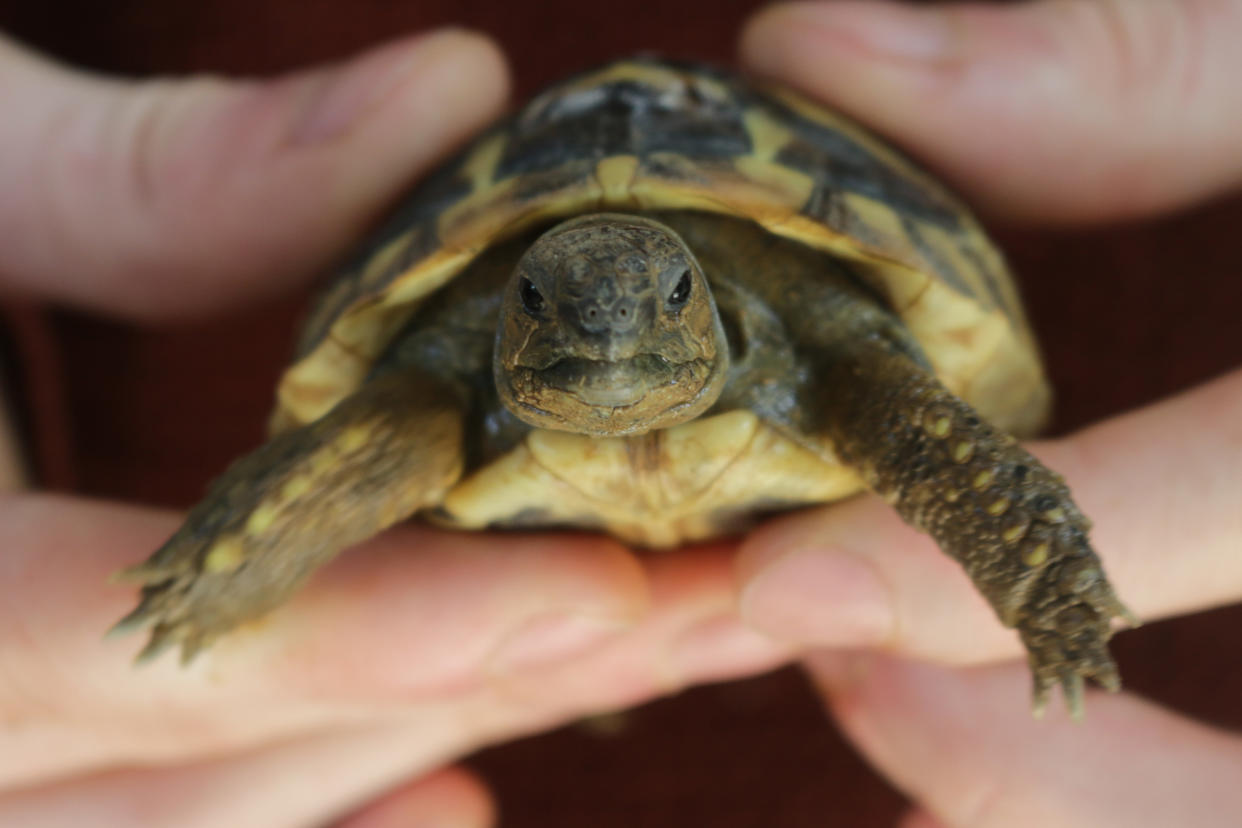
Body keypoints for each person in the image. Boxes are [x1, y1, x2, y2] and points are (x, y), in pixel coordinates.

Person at [0, 1, 1237, 825]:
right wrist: (200, 585)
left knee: (910, 430)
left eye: (659, 312)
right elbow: (341, 461)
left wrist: (1052, 597)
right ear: (513, 313)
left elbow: (945, 445)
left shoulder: (846, 356)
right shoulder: (437, 395)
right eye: (547, 311)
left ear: (710, 306)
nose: (608, 346)